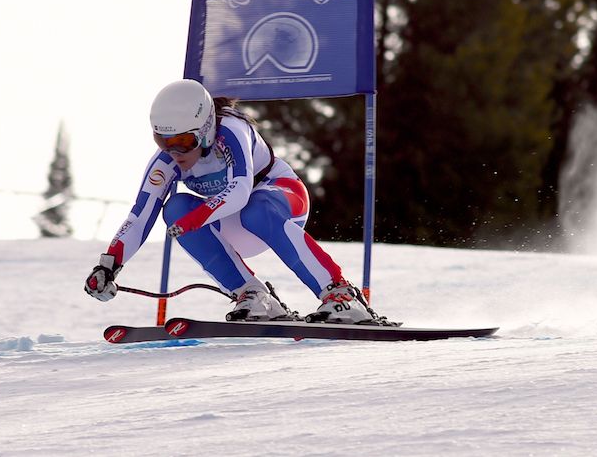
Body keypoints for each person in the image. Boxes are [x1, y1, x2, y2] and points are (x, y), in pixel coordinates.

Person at [84, 79, 383, 324]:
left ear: (204, 129)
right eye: (163, 141)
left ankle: (339, 294)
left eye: (184, 142)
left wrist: (194, 219)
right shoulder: (166, 162)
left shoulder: (233, 131)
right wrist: (109, 265)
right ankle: (253, 295)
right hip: (228, 218)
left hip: (280, 200)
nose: (174, 151)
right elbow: (140, 216)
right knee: (174, 209)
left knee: (255, 208)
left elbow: (240, 191)